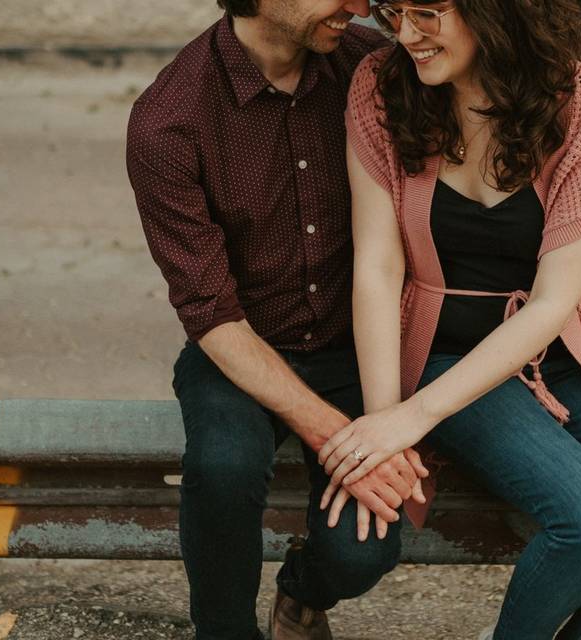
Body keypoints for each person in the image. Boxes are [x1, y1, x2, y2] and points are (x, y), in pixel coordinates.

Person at [317, 1, 581, 638]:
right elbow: (377, 266)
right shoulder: (381, 86)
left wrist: (409, 420)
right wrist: (385, 419)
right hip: (440, 354)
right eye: (392, 11)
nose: (405, 34)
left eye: (426, 11)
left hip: (568, 349)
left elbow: (558, 300)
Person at [125, 2, 429, 639]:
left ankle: (301, 590)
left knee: (362, 549)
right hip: (240, 345)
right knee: (223, 468)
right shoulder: (168, 121)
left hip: (361, 347)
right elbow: (211, 314)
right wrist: (336, 437)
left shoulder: (376, 67)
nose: (356, 2)